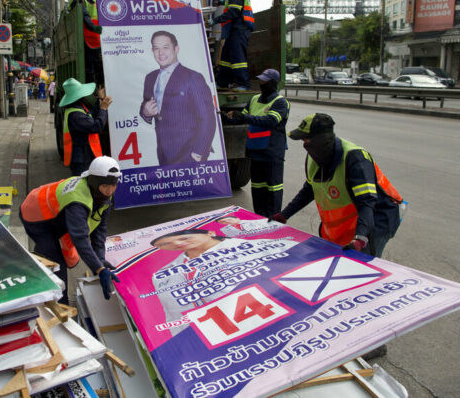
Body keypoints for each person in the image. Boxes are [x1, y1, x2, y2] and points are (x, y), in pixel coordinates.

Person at [271, 113, 403, 257]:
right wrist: (284, 215)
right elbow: (309, 190)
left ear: (321, 141)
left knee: (360, 262)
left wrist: (360, 238)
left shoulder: (355, 159)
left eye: (306, 139)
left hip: (377, 217)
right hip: (349, 221)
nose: (304, 145)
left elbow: (367, 203)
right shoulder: (315, 157)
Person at [151, 229, 298, 333]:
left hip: (266, 319)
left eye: (185, 238)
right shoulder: (162, 275)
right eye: (164, 244)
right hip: (212, 336)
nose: (178, 243)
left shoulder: (256, 247)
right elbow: (172, 314)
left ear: (210, 233)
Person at [20, 156, 122, 304]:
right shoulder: (77, 201)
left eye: (114, 185)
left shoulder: (103, 196)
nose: (110, 190)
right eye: (106, 185)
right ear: (95, 182)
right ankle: (60, 306)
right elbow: (80, 238)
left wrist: (100, 259)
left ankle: (46, 275)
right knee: (56, 263)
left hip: (56, 216)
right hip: (36, 216)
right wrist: (100, 270)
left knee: (62, 256)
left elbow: (99, 231)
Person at [139, 30, 216, 165]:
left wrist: (199, 153)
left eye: (165, 47)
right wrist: (145, 112)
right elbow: (146, 105)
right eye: (156, 48)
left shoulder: (193, 78)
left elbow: (207, 118)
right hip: (163, 153)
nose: (160, 53)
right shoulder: (150, 78)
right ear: (152, 50)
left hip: (189, 154)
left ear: (176, 49)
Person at [223, 69, 289, 217]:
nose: (261, 83)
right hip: (255, 151)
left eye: (265, 81)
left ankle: (274, 218)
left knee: (273, 187)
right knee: (257, 187)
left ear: (273, 83)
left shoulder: (280, 102)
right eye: (261, 80)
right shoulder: (254, 99)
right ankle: (260, 216)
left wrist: (245, 117)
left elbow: (271, 121)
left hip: (272, 152)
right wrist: (226, 116)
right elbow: (241, 117)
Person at [207, 0, 254, 90]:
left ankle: (243, 84)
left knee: (238, 58)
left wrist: (215, 21)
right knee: (226, 57)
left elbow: (233, 12)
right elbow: (232, 4)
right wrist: (222, 2)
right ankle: (222, 82)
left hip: (239, 30)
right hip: (235, 31)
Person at [60, 78, 111, 175]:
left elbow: (92, 116)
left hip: (83, 157)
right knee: (83, 186)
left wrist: (99, 100)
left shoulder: (77, 109)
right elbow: (97, 126)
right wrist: (104, 109)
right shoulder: (76, 115)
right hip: (82, 160)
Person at [66, 0, 104, 86]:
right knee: (91, 66)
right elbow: (85, 16)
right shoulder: (75, 0)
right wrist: (94, 27)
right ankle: (93, 90)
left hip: (98, 36)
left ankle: (102, 86)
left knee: (101, 64)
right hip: (86, 37)